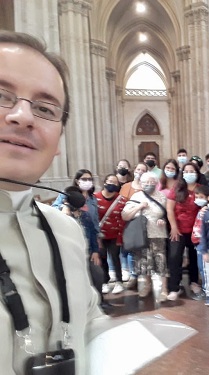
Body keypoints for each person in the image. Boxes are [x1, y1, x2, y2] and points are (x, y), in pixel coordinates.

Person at [0, 30, 105, 374]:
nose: (22, 116)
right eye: (2, 95)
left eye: (45, 108)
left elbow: (89, 321)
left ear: (58, 138)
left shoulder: (66, 230)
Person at [121, 172, 168, 301]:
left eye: (152, 182)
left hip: (158, 233)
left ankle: (164, 289)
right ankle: (147, 285)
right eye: (146, 182)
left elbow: (167, 214)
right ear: (141, 184)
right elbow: (125, 215)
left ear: (156, 183)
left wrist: (163, 219)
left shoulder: (162, 197)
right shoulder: (136, 196)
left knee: (161, 261)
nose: (149, 184)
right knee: (144, 262)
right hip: (142, 234)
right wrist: (139, 206)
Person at [166, 162, 202, 301]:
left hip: (195, 230)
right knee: (175, 257)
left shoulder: (200, 189)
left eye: (191, 171)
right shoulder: (177, 188)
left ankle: (194, 282)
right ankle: (174, 287)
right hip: (178, 229)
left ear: (197, 173)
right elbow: (169, 209)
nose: (189, 174)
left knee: (194, 257)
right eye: (186, 171)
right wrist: (173, 227)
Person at [95, 174, 127, 295]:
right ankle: (104, 282)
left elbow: (122, 219)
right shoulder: (95, 198)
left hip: (115, 234)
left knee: (115, 257)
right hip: (100, 235)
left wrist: (120, 237)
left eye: (115, 182)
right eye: (110, 181)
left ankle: (119, 281)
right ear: (105, 182)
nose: (112, 184)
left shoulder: (121, 199)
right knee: (102, 258)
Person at [191, 184, 209, 300]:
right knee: (202, 268)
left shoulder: (206, 211)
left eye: (201, 197)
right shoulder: (201, 210)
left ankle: (206, 290)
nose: (198, 199)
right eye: (196, 196)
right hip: (198, 243)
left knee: (204, 269)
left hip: (203, 244)